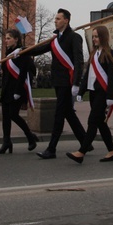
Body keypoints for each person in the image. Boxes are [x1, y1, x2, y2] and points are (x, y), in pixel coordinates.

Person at [30, 9, 87, 160]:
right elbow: (39, 50)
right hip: (57, 81)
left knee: (59, 114)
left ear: (66, 21)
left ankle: (51, 149)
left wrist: (76, 83)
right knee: (68, 113)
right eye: (55, 18)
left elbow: (78, 61)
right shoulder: (55, 40)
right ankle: (85, 141)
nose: (55, 21)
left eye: (58, 18)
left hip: (67, 83)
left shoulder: (74, 37)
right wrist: (22, 51)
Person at [67, 25, 113, 163]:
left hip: (103, 93)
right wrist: (81, 91)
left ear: (103, 37)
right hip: (93, 93)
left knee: (92, 121)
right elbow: (88, 74)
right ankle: (112, 152)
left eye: (96, 36)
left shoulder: (110, 53)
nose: (94, 39)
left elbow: (111, 77)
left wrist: (110, 96)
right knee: (101, 123)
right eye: (93, 36)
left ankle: (81, 152)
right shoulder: (93, 53)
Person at [0, 29, 39, 154]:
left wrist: (18, 91)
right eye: (6, 38)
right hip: (6, 88)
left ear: (16, 39)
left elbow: (24, 73)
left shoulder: (23, 52)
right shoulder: (8, 53)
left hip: (17, 89)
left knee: (13, 115)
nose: (6, 40)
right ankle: (6, 142)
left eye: (9, 38)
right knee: (5, 117)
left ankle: (30, 137)